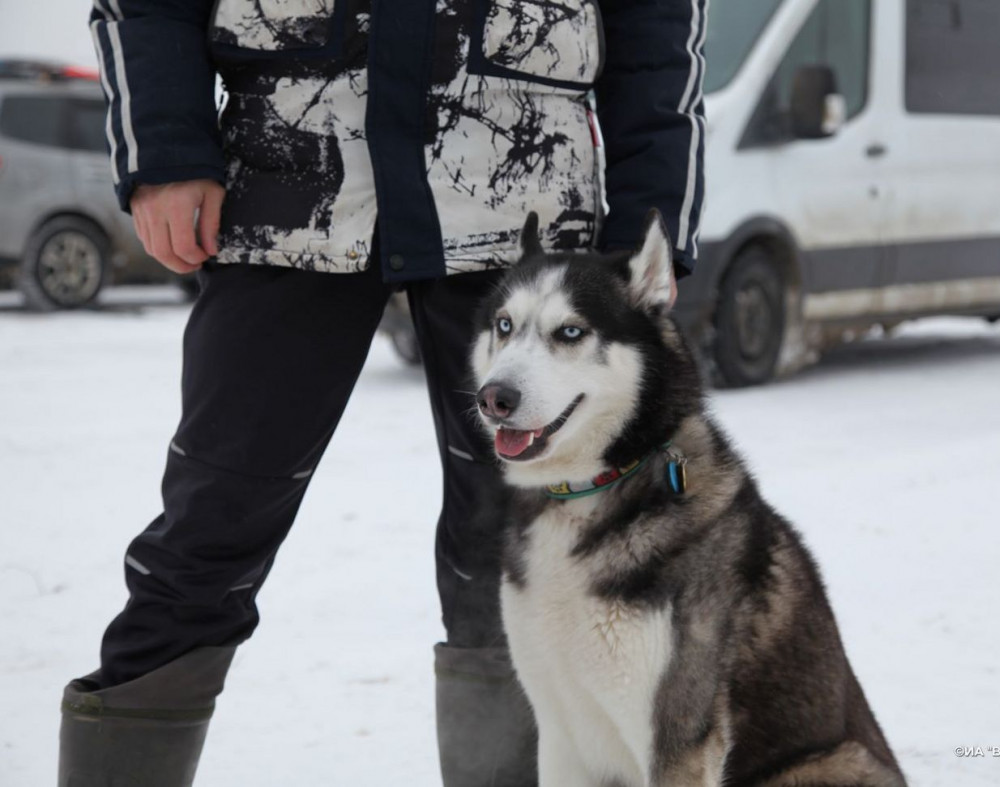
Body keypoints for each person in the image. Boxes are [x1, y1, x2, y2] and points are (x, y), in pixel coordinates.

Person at [60, 0, 706, 785]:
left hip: (523, 205)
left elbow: (656, 31)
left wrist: (651, 229)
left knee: (516, 547)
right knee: (206, 534)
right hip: (289, 185)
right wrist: (162, 144)